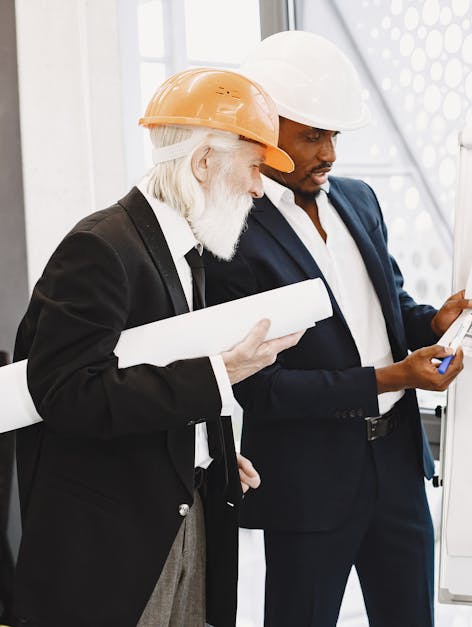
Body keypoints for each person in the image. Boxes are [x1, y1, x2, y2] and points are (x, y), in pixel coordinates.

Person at [204, 31, 472, 626]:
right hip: (309, 484)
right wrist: (388, 378)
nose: (329, 153)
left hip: (399, 473)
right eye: (311, 137)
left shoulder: (359, 201)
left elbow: (387, 309)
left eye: (333, 136)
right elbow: (261, 389)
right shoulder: (230, 236)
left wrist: (433, 321)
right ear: (263, 131)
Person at [12, 68, 302, 627]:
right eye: (254, 167)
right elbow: (68, 392)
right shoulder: (100, 247)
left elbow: (153, 374)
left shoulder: (184, 249)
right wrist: (221, 373)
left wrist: (205, 453)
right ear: (203, 163)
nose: (259, 188)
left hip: (183, 515)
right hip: (115, 546)